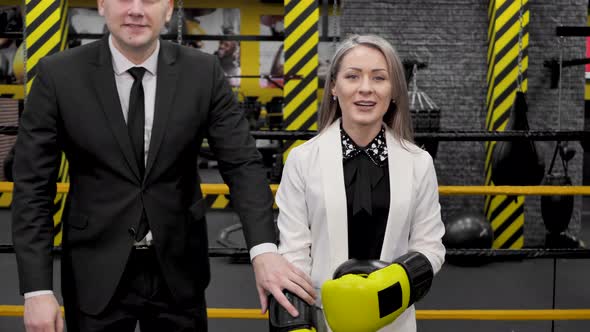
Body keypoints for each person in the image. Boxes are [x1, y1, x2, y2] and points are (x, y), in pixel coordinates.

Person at [11, 0, 315, 331]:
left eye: (150, 0)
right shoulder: (58, 75)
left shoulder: (203, 72)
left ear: (168, 9)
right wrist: (36, 289)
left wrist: (264, 250)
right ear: (102, 5)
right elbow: (33, 187)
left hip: (179, 270)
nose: (136, 10)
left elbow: (242, 163)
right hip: (94, 269)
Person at [275, 34, 445, 332]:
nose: (365, 88)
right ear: (333, 87)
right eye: (352, 76)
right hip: (322, 318)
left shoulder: (419, 163)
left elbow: (430, 247)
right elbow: (293, 254)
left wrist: (389, 288)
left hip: (394, 319)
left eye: (379, 78)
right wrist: (296, 322)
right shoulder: (302, 160)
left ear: (393, 91)